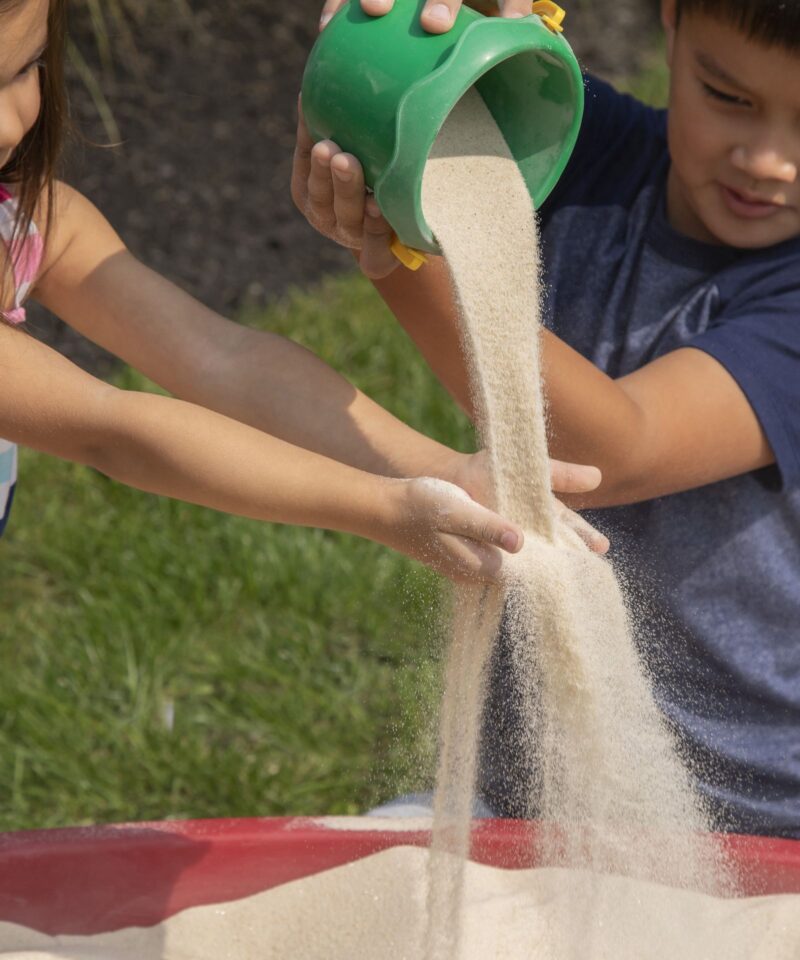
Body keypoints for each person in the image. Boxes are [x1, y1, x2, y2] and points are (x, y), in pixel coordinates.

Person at [298, 0, 800, 837]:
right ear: (670, 22)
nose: (768, 159)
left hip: (753, 823)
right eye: (728, 97)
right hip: (526, 782)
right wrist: (397, 52)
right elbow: (391, 99)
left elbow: (615, 447)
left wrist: (392, 252)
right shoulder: (573, 136)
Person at [0, 0, 610, 585]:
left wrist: (442, 471)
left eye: (24, 69)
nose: (8, 123)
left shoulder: (34, 222)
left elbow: (224, 361)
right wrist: (382, 508)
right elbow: (107, 428)